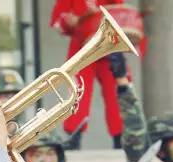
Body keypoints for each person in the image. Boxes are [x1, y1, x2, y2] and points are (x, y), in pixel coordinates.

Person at [50, 0, 125, 149]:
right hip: (82, 44)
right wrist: (71, 21)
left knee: (116, 93)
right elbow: (57, 21)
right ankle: (74, 136)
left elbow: (121, 12)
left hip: (110, 45)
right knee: (78, 90)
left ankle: (120, 138)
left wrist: (99, 14)